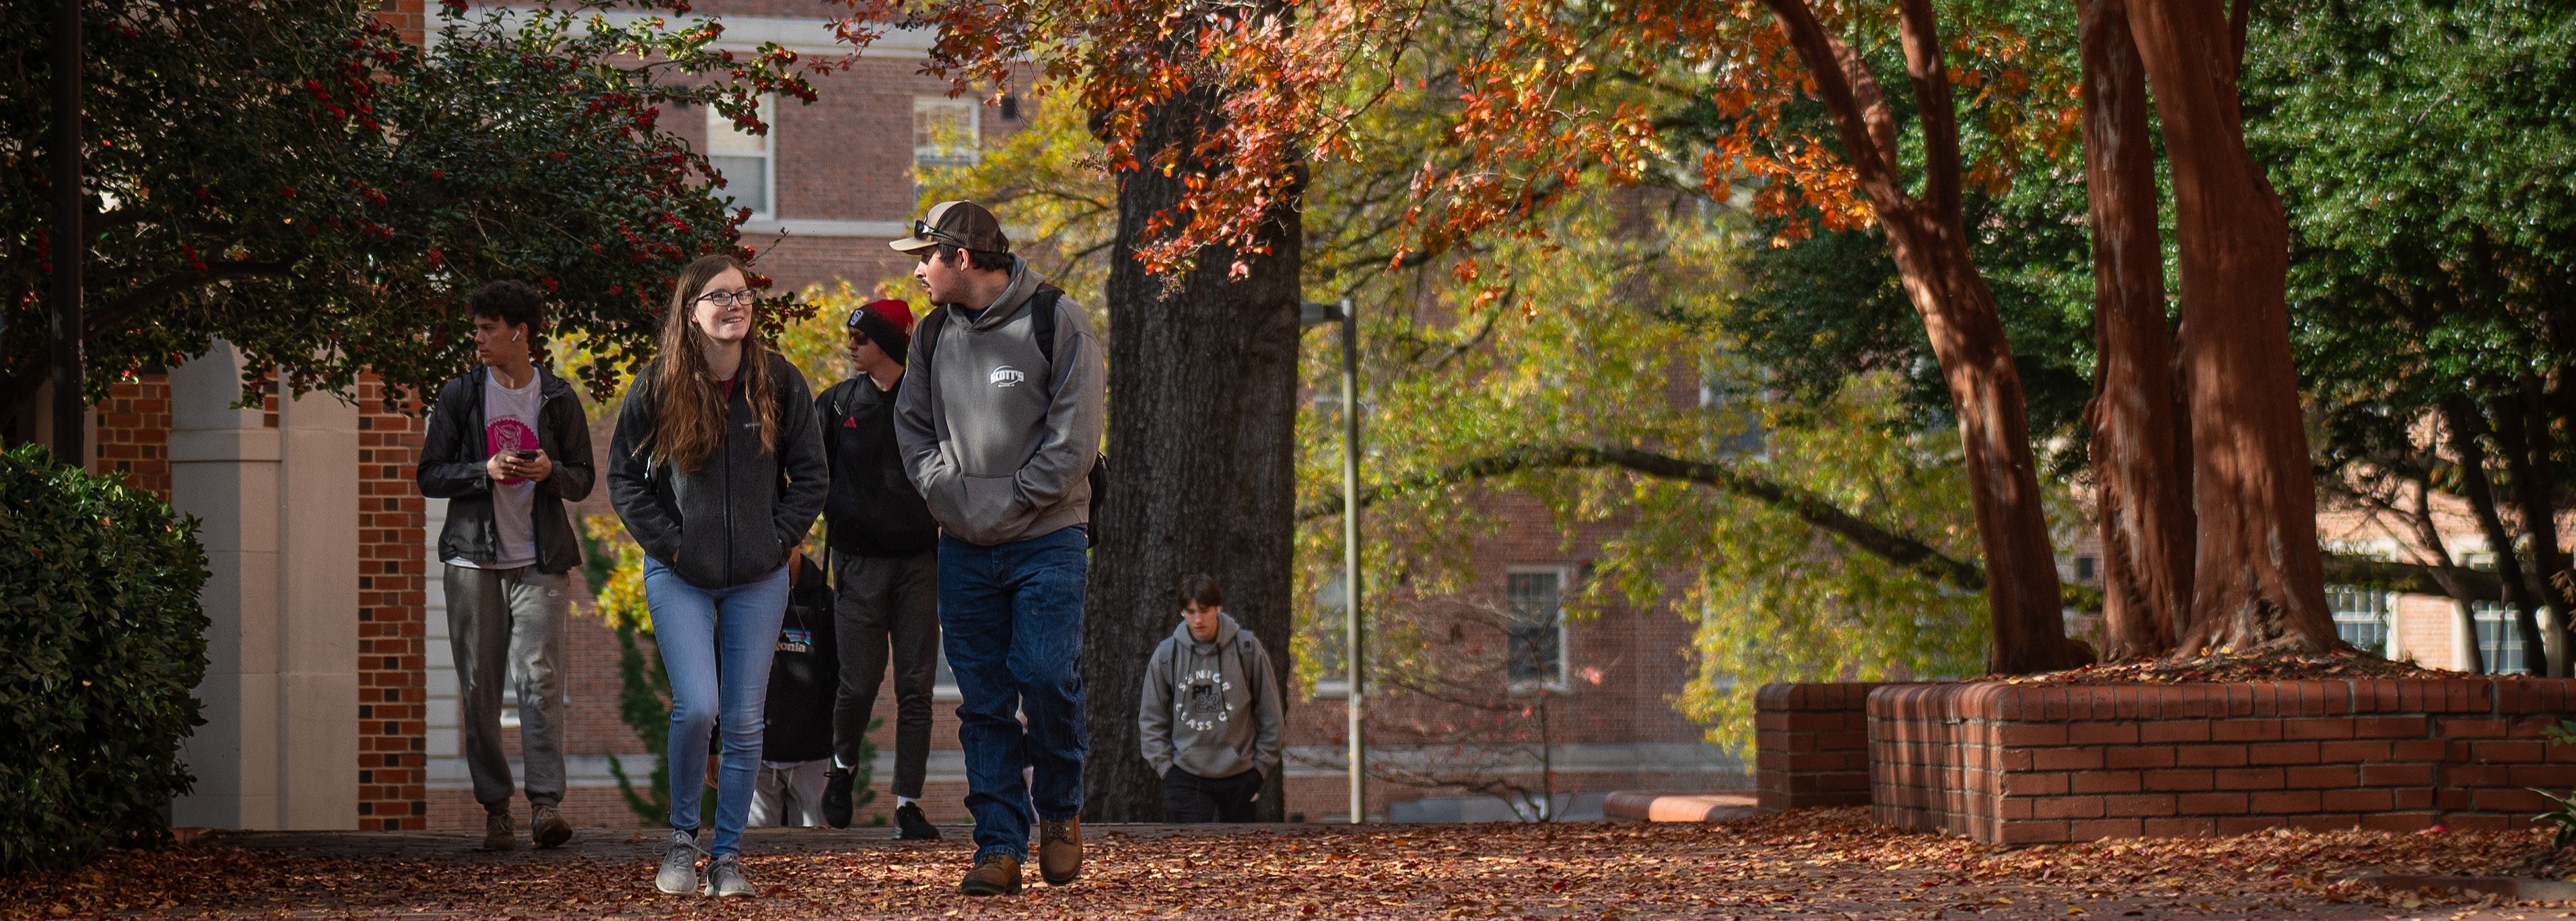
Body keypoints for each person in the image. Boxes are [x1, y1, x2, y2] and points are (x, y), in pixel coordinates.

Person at [890, 200, 1105, 896]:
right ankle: (998, 844)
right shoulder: (930, 336)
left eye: (924, 257)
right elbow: (914, 436)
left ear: (960, 258)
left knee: (1044, 674)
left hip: (1048, 538)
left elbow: (1073, 447)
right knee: (982, 701)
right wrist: (958, 503)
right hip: (964, 547)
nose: (916, 271)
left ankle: (1061, 809)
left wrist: (1002, 503)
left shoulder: (1057, 321)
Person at [606, 254, 829, 898]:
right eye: (719, 296)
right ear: (691, 311)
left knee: (745, 718)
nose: (735, 305)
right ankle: (683, 841)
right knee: (699, 706)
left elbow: (811, 474)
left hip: (759, 576)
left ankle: (727, 857)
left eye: (743, 294)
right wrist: (673, 545)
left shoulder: (779, 382)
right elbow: (623, 478)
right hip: (680, 572)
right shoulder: (658, 384)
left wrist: (778, 538)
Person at [416, 279, 594, 852]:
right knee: (479, 687)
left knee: (540, 680)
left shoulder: (559, 397)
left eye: (488, 329)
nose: (478, 339)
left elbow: (583, 476)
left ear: (520, 332)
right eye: (476, 329)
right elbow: (430, 474)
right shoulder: (460, 396)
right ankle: (497, 809)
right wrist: (483, 469)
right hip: (473, 559)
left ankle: (545, 808)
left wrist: (550, 474)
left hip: (540, 559)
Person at [814, 298, 943, 840]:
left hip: (921, 562)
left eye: (861, 338)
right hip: (857, 564)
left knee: (916, 688)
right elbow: (807, 477)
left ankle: (908, 804)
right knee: (858, 683)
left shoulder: (930, 402)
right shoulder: (836, 402)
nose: (850, 345)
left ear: (888, 343)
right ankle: (842, 768)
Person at [1138, 575, 1284, 823]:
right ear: (1182, 612)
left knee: (1240, 856)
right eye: (1190, 611)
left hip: (1240, 772)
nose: (1197, 619)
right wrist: (1165, 768)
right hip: (1185, 773)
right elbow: (1151, 718)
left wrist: (1260, 768)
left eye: (1204, 611)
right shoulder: (1167, 654)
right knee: (1190, 856)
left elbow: (1272, 714)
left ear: (1218, 607)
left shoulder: (1246, 649)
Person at [749, 553, 837, 828]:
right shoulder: (746, 595)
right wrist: (714, 740)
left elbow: (840, 677)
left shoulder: (825, 602)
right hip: (756, 751)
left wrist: (840, 744)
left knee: (817, 855)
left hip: (814, 755)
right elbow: (722, 665)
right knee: (755, 852)